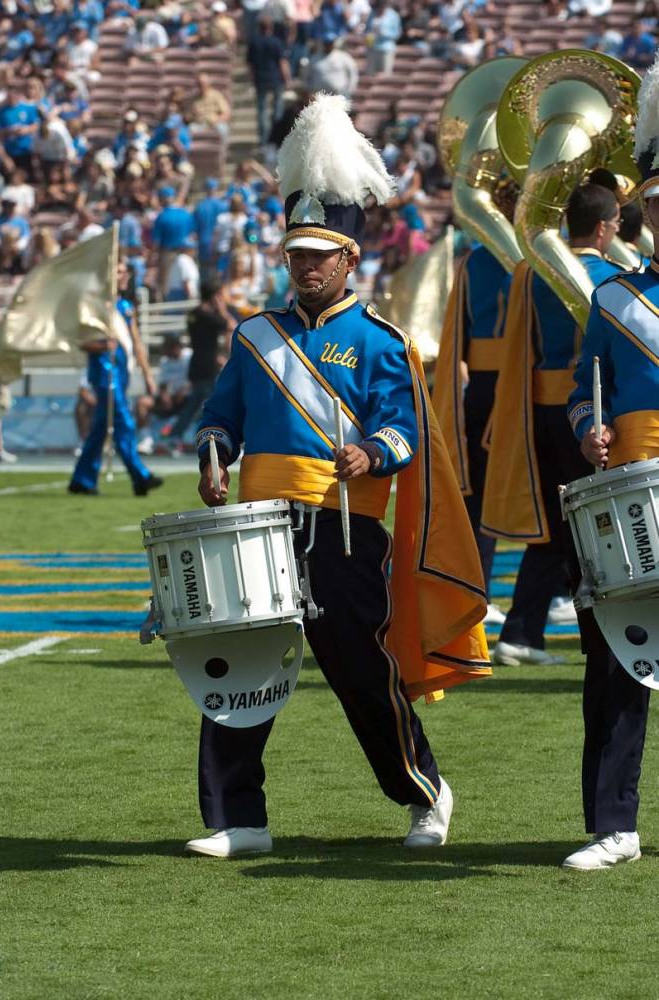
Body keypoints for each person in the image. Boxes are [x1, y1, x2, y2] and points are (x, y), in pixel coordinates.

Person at [184, 94, 489, 859]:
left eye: (320, 255)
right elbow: (219, 416)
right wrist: (215, 453)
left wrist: (374, 452)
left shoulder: (382, 340)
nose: (306, 266)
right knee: (238, 668)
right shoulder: (256, 336)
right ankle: (238, 819)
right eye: (296, 255)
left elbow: (405, 427)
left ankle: (423, 790)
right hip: (258, 525)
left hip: (345, 526)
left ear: (351, 259)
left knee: (358, 671)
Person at [560, 58, 659, 870]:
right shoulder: (615, 299)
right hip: (632, 500)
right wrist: (591, 429)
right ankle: (614, 826)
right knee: (619, 659)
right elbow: (580, 391)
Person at [482, 183, 623, 665]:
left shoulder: (533, 275)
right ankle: (591, 637)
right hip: (593, 416)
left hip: (538, 409)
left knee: (557, 529)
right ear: (604, 228)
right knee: (596, 530)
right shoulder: (612, 279)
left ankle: (521, 631)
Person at [432, 181, 517, 626]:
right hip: (528, 386)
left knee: (481, 496)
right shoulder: (536, 262)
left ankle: (476, 592)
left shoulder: (472, 264)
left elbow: (457, 339)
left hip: (484, 388)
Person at [69, 261, 162, 496]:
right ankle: (139, 474)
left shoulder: (124, 305)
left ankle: (82, 479)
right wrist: (101, 345)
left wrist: (147, 373)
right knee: (123, 421)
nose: (124, 276)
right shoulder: (97, 306)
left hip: (121, 374)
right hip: (104, 373)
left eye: (124, 271)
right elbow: (80, 340)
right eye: (118, 272)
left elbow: (136, 341)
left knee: (100, 428)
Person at [163, 276, 235, 452]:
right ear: (214, 296)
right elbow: (232, 325)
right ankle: (205, 436)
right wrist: (223, 310)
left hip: (197, 364)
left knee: (196, 404)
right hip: (208, 366)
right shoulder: (208, 316)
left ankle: (177, 435)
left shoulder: (194, 314)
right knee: (216, 404)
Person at [135, 333, 192, 452]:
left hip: (188, 398)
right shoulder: (165, 361)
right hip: (171, 398)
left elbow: (197, 379)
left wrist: (184, 390)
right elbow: (163, 384)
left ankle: (185, 439)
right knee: (142, 403)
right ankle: (146, 439)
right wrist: (164, 395)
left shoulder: (190, 356)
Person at [246, 15, 290, 146]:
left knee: (262, 111)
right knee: (277, 111)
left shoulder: (254, 42)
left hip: (260, 79)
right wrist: (287, 79)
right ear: (270, 28)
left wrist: (252, 80)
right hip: (275, 79)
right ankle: (276, 139)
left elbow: (250, 66)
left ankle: (263, 141)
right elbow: (282, 62)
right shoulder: (276, 42)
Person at [305, 34, 359, 98]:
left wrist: (350, 90)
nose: (328, 45)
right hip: (319, 96)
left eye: (330, 43)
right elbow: (306, 76)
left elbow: (353, 73)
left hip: (339, 94)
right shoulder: (314, 58)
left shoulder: (343, 57)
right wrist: (309, 90)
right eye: (326, 43)